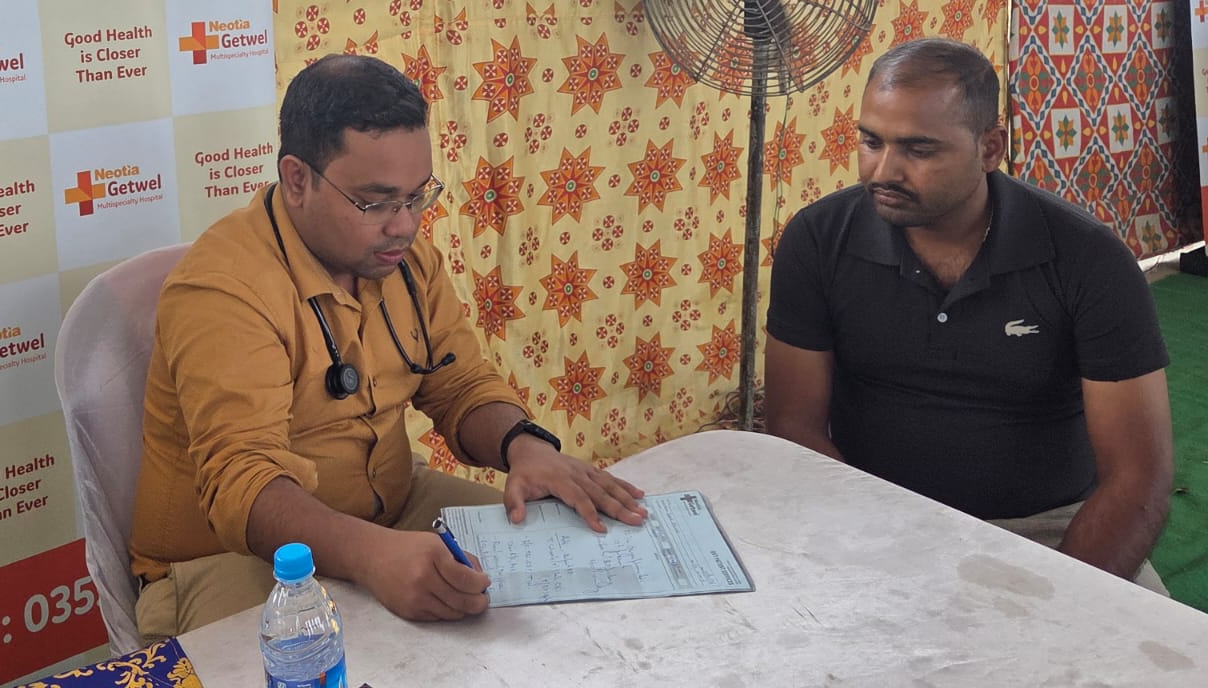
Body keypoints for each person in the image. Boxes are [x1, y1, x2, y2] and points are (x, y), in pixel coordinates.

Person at [129, 53, 647, 639]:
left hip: (396, 510)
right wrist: (372, 555)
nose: (404, 225)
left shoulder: (404, 261)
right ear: (297, 180)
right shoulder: (224, 289)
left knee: (572, 587)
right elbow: (243, 481)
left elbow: (459, 385)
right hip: (230, 559)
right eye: (375, 202)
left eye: (416, 197)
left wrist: (524, 447)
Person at [765, 38, 1173, 590]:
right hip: (872, 516)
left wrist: (1067, 603)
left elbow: (1137, 477)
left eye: (919, 149)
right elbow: (794, 427)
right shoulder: (818, 240)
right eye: (870, 141)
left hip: (1050, 530)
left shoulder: (1088, 258)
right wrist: (870, 547)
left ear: (989, 148)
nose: (883, 171)